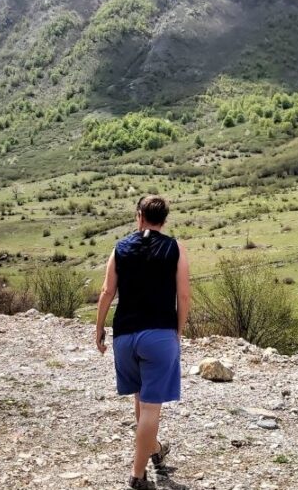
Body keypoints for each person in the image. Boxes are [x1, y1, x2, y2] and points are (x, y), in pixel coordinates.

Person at [95, 195, 190, 490]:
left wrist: (99, 328)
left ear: (139, 216)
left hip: (125, 336)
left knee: (140, 400)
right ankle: (138, 476)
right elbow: (184, 295)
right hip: (159, 334)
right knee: (150, 409)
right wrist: (178, 330)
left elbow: (107, 291)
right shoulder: (174, 248)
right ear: (164, 219)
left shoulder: (120, 248)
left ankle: (155, 449)